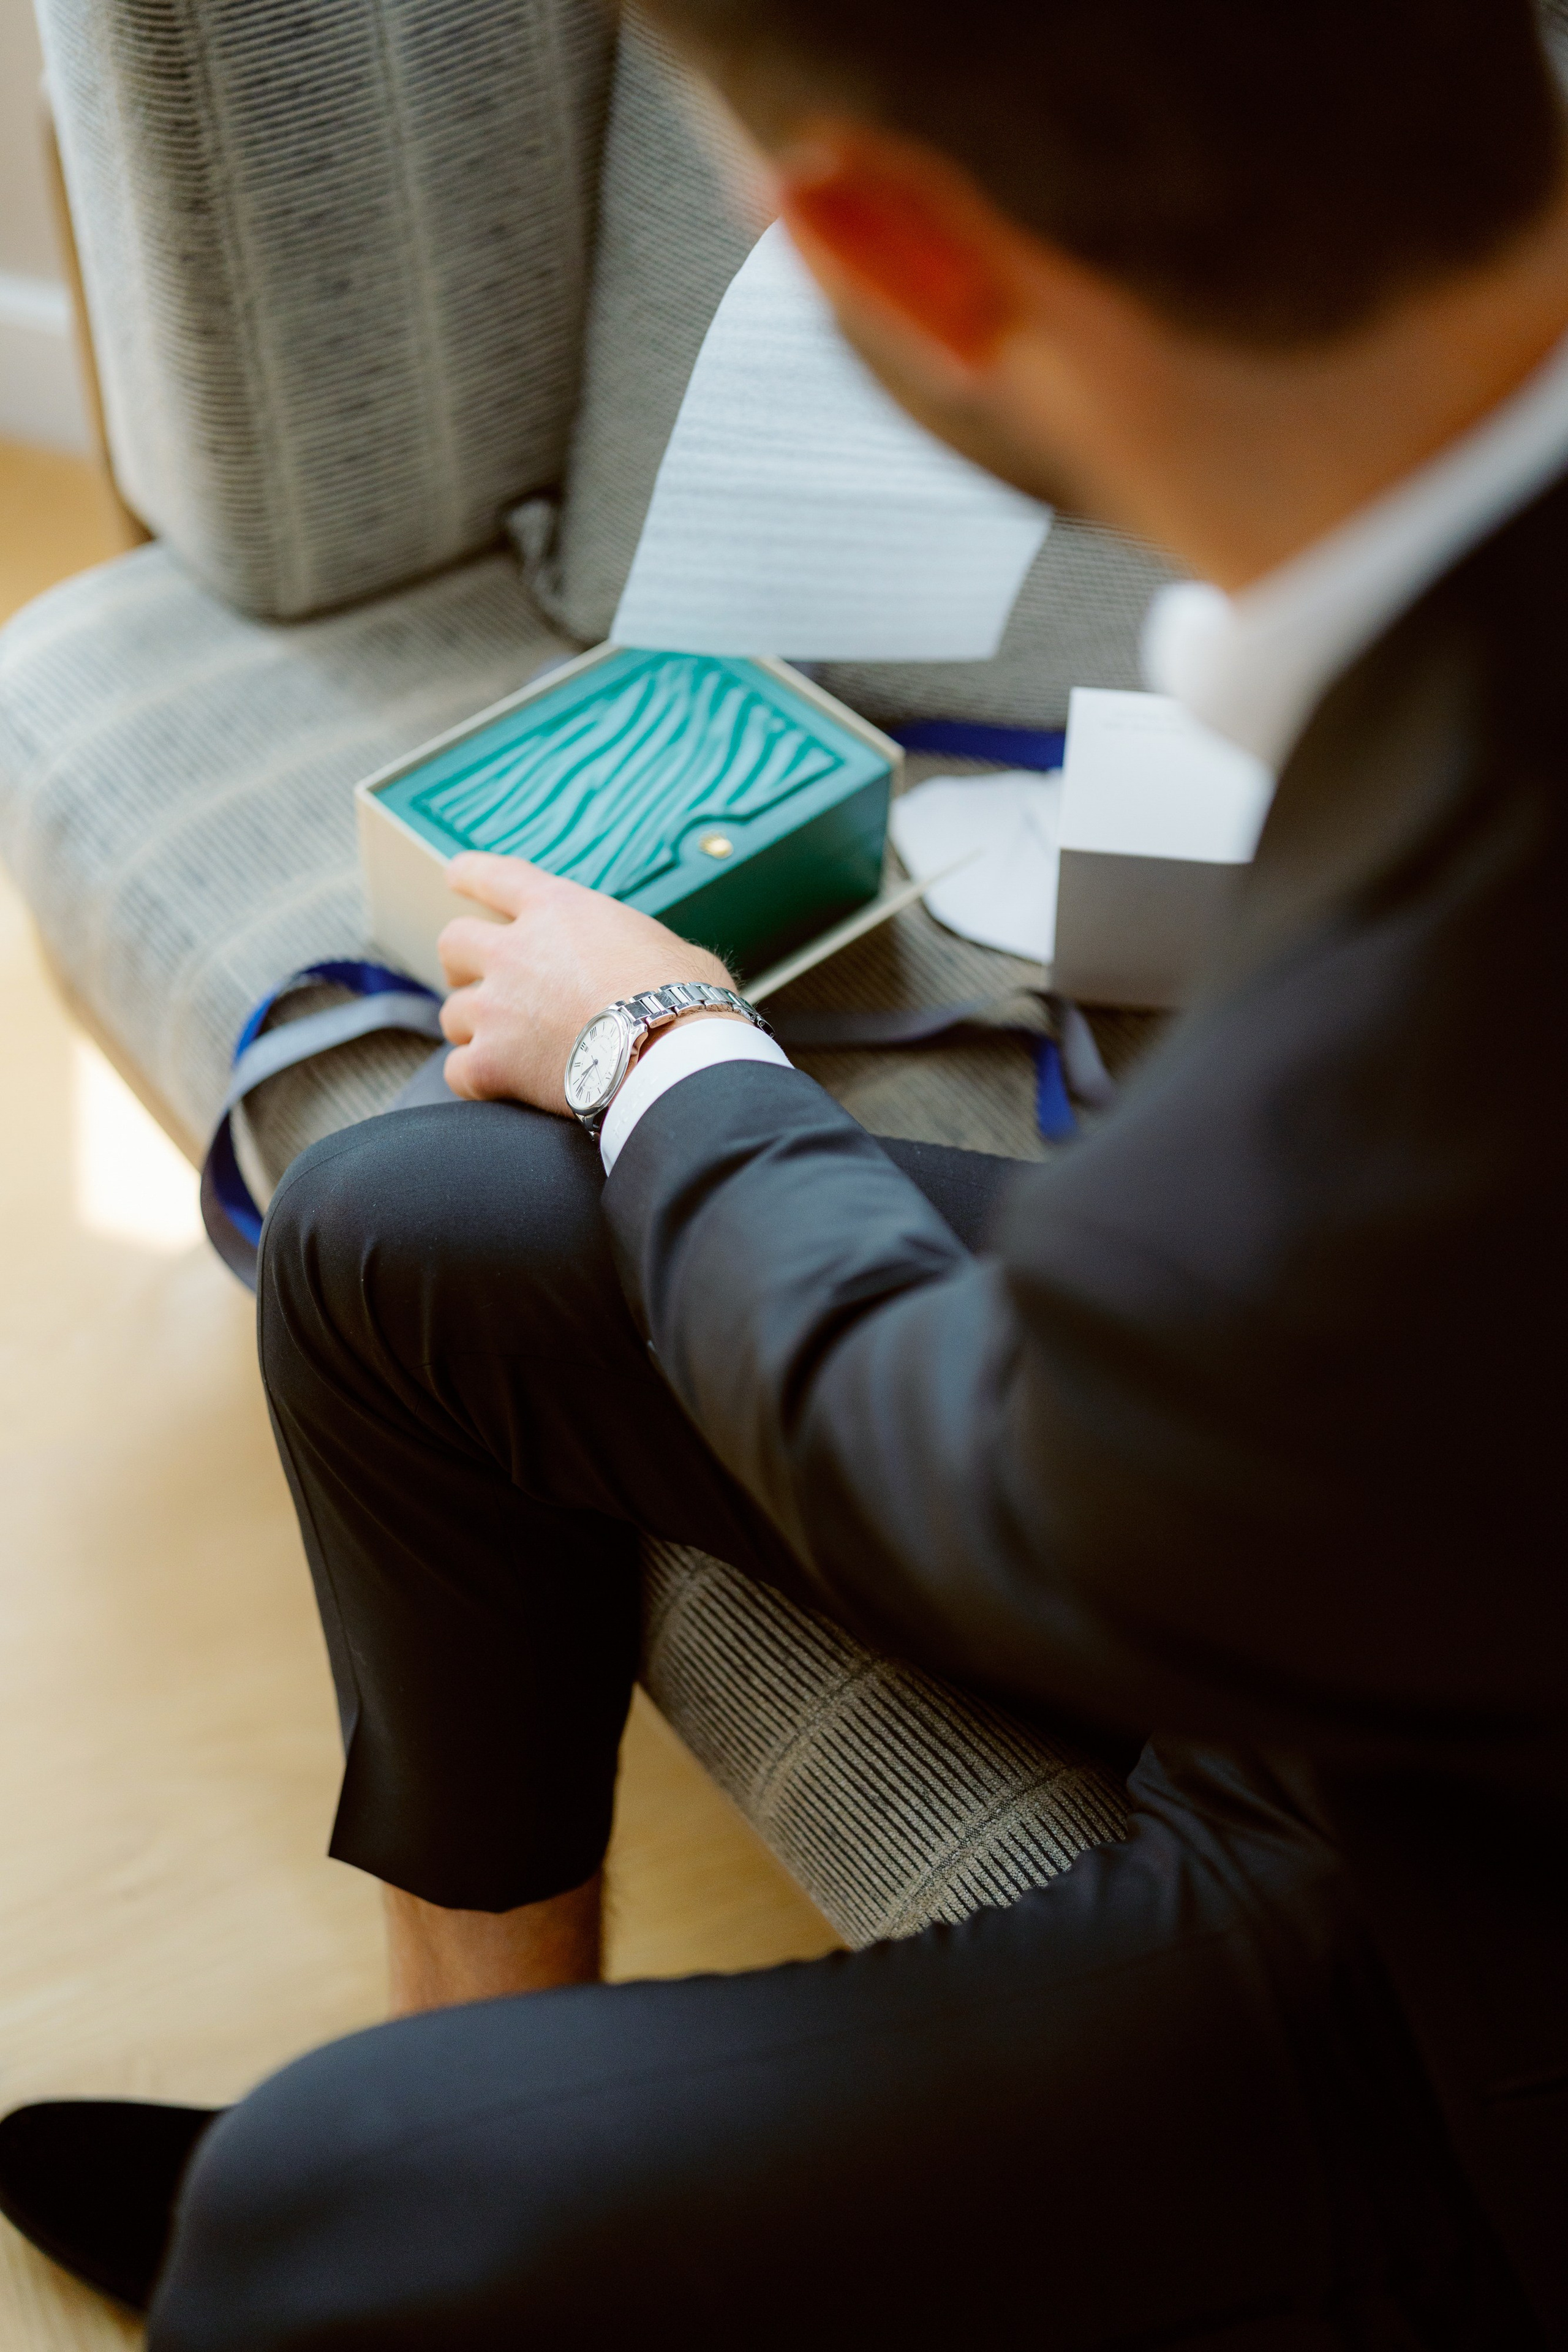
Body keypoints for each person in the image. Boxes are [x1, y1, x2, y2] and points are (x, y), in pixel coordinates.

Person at [3, 0, 1566, 2342]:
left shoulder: (1368, 1094)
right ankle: (502, 2082)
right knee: (405, 1227)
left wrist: (661, 1040)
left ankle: (426, 2201)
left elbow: (977, 1469)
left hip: (1470, 1944)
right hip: (1425, 1495)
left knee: (323, 2227)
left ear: (883, 259)